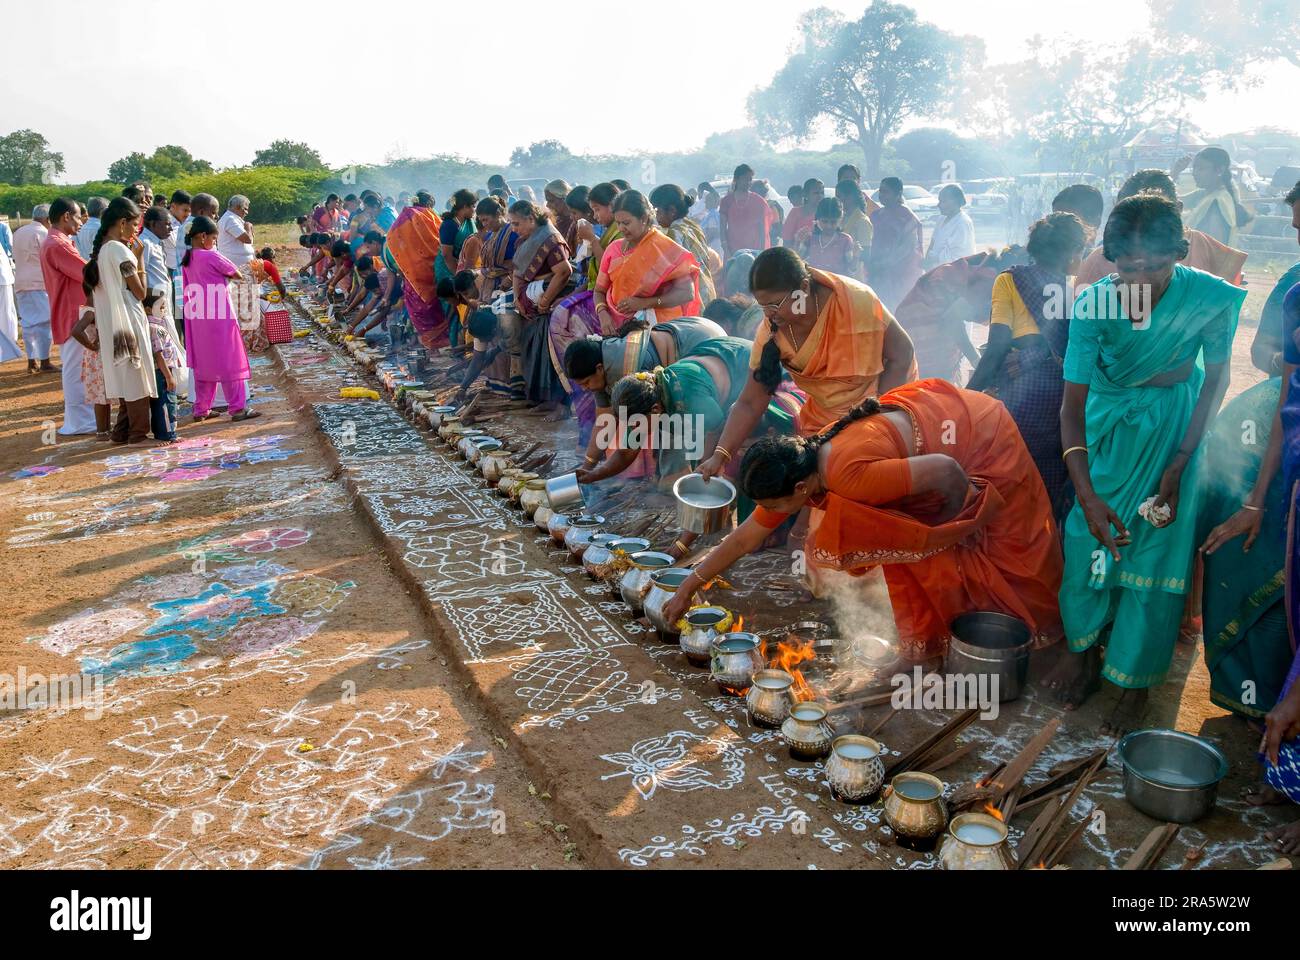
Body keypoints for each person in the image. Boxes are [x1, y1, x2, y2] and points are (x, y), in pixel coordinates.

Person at [661, 381, 1065, 663]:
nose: (776, 515)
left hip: (981, 436)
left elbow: (946, 470)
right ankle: (923, 651)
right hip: (938, 445)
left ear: (801, 489)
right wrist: (690, 585)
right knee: (906, 546)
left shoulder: (849, 476)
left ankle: (1050, 646)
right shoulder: (804, 465)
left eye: (777, 506)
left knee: (998, 546)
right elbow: (744, 538)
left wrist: (950, 526)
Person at [1051, 194, 1247, 733]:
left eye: (1156, 266)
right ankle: (1082, 650)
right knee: (1086, 541)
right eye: (1127, 266)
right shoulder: (1094, 304)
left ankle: (1131, 683)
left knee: (1155, 556)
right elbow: (1071, 407)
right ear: (1111, 258)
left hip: (1174, 433)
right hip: (1107, 430)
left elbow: (1217, 376)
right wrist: (1087, 495)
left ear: (1179, 254)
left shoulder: (1210, 297)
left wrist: (1183, 460)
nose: (1140, 279)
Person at [596, 335, 805, 514]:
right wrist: (594, 474)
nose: (637, 428)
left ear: (655, 410)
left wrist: (706, 468)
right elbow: (626, 451)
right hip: (716, 357)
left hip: (748, 366)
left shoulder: (691, 400)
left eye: (637, 424)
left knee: (736, 453)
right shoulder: (648, 399)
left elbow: (717, 430)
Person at [968, 213, 1089, 520]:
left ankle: (1019, 553)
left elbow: (996, 349)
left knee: (1015, 484)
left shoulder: (1010, 280)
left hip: (1023, 398)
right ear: (1074, 252)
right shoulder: (1078, 289)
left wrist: (967, 397)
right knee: (1053, 487)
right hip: (1066, 401)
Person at [562, 315, 727, 479]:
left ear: (599, 369)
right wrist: (587, 469)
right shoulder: (598, 367)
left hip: (702, 342)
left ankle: (680, 479)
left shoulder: (635, 368)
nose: (585, 389)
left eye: (585, 383)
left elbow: (644, 429)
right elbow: (605, 422)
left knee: (676, 421)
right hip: (692, 330)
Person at [1075, 170, 1247, 287]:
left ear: (1177, 209)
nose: (1140, 225)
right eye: (1127, 215)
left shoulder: (1212, 252)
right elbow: (1082, 322)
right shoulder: (1100, 259)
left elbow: (1223, 313)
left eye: (1153, 216)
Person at [894, 246, 1028, 383]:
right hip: (922, 333)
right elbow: (951, 320)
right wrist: (976, 360)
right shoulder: (990, 278)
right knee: (932, 391)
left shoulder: (984, 271)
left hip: (914, 329)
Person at [83, 198, 156, 443]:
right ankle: (137, 432)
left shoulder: (104, 250)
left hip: (114, 323)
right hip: (127, 321)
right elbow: (140, 292)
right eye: (135, 225)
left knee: (126, 375)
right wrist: (141, 259)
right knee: (135, 375)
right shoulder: (119, 251)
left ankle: (121, 431)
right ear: (123, 223)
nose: (137, 230)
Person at [181, 216, 258, 423]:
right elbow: (236, 274)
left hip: (198, 318)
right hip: (219, 315)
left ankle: (201, 408)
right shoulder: (210, 256)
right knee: (229, 360)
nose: (215, 243)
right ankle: (238, 407)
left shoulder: (187, 258)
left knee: (204, 361)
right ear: (203, 236)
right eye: (214, 239)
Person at [593, 190, 701, 333]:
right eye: (618, 223)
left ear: (643, 218)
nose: (621, 229)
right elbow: (599, 290)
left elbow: (687, 293)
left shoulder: (665, 249)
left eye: (626, 223)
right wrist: (603, 314)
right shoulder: (613, 249)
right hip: (616, 327)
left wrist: (644, 303)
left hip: (658, 329)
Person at [503, 199, 573, 409]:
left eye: (516, 224)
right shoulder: (525, 240)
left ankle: (559, 405)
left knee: (551, 358)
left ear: (531, 219)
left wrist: (544, 301)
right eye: (511, 224)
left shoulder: (550, 240)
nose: (514, 229)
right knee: (534, 353)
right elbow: (517, 272)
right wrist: (517, 298)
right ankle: (544, 400)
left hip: (549, 307)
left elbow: (564, 272)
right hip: (531, 308)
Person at [37, 199, 96, 433]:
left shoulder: (56, 241)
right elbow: (87, 273)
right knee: (76, 369)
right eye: (79, 216)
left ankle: (81, 419)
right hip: (71, 313)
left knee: (78, 367)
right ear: (66, 217)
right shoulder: (57, 244)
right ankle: (80, 421)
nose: (81, 222)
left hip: (70, 311)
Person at [385, 198, 447, 350]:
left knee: (423, 313)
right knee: (434, 311)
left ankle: (432, 348)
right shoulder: (430, 217)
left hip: (414, 278)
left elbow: (397, 253)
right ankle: (437, 346)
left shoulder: (401, 226)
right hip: (433, 273)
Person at [650, 183, 721, 304]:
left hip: (693, 297)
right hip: (707, 290)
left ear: (672, 210)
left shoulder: (674, 234)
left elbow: (670, 272)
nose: (656, 217)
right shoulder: (692, 225)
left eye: (657, 211)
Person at [1172, 146, 1254, 247]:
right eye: (1194, 168)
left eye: (1201, 168)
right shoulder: (1207, 194)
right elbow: (1171, 203)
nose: (1194, 173)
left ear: (1219, 170)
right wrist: (1174, 174)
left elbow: (1214, 248)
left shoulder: (1218, 202)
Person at [868, 177, 924, 312]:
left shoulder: (907, 218)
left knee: (898, 312)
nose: (881, 195)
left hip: (901, 274)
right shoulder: (876, 215)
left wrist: (885, 264)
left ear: (898, 194)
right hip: (878, 273)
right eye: (880, 191)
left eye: (886, 192)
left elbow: (907, 248)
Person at [13, 205, 54, 373]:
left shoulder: (19, 232)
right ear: (47, 219)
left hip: (21, 282)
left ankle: (32, 361)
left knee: (28, 323)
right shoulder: (44, 234)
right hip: (39, 282)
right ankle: (44, 361)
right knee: (44, 322)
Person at [68, 305, 111, 439]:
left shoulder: (87, 309)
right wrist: (91, 345)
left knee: (104, 396)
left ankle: (106, 428)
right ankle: (101, 431)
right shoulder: (91, 311)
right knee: (100, 396)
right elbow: (76, 331)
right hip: (97, 358)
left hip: (95, 357)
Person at [144, 294, 181, 443]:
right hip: (162, 372)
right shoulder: (154, 328)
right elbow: (158, 354)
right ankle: (167, 434)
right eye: (161, 307)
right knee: (166, 403)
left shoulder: (159, 325)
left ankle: (165, 433)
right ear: (147, 309)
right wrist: (168, 376)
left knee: (163, 403)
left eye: (164, 307)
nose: (164, 310)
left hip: (164, 370)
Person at [793, 197, 860, 276]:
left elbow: (851, 270)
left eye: (833, 222)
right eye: (824, 221)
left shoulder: (845, 240)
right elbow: (796, 264)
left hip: (836, 285)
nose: (829, 226)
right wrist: (797, 242)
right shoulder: (810, 239)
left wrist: (856, 256)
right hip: (814, 284)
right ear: (817, 219)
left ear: (840, 219)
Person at [719, 164, 775, 257]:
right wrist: (726, 250)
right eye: (745, 179)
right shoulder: (726, 201)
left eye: (750, 179)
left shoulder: (758, 201)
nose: (748, 182)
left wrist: (761, 253)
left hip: (754, 251)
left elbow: (763, 230)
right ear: (736, 179)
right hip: (732, 251)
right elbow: (722, 228)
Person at [925, 184, 976, 268]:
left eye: (943, 201)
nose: (938, 205)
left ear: (955, 202)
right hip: (936, 271)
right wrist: (927, 262)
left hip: (954, 274)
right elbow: (932, 243)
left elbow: (956, 257)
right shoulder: (941, 219)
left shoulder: (963, 222)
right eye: (939, 201)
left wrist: (931, 259)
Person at [438, 189, 477, 286]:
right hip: (449, 271)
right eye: (473, 206)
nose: (474, 210)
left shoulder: (468, 222)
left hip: (466, 269)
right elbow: (447, 255)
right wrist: (459, 276)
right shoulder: (449, 225)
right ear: (464, 207)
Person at [836, 180, 873, 264]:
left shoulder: (862, 221)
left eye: (838, 196)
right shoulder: (841, 217)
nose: (836, 200)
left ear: (850, 197)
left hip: (854, 273)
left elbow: (865, 255)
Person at [783, 178, 824, 247]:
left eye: (822, 193)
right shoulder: (795, 212)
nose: (820, 196)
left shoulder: (826, 213)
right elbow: (787, 240)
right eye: (816, 193)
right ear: (805, 194)